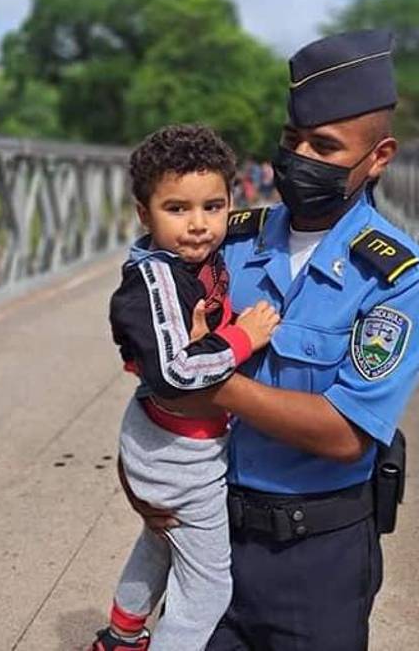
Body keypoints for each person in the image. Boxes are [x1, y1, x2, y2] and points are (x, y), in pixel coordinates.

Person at [122, 29, 419, 650]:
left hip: (315, 560)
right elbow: (152, 361)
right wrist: (139, 476)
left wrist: (210, 377)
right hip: (205, 530)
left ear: (378, 158)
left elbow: (344, 433)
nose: (298, 157)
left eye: (324, 146)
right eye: (292, 140)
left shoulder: (399, 279)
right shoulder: (227, 241)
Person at [93, 125, 282, 651]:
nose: (199, 225)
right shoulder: (150, 282)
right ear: (143, 214)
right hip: (176, 452)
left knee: (160, 540)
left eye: (213, 207)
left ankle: (122, 635)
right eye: (177, 209)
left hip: (175, 436)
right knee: (207, 588)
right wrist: (242, 338)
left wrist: (218, 334)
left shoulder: (192, 263)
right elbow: (176, 370)